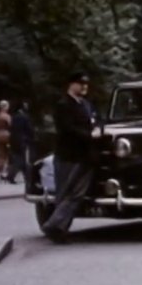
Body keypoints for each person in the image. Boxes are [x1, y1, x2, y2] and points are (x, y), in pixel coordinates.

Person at [40, 72, 95, 243]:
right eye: (81, 83)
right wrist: (90, 135)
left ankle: (58, 228)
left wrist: (97, 129)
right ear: (71, 85)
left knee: (76, 194)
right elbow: (67, 129)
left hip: (84, 156)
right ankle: (55, 228)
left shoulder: (85, 104)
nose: (85, 86)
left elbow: (95, 119)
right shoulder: (63, 105)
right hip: (68, 155)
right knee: (65, 193)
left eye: (86, 84)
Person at [6, 100, 35, 185]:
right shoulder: (25, 117)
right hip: (22, 140)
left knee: (18, 158)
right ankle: (12, 175)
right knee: (21, 159)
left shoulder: (14, 117)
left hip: (14, 140)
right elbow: (29, 129)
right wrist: (31, 138)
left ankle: (27, 177)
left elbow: (11, 128)